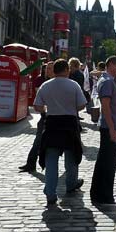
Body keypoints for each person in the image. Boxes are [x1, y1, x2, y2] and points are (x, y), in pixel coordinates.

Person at [35, 59, 87, 205]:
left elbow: (37, 106)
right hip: (70, 123)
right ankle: (71, 184)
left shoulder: (46, 85)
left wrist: (47, 109)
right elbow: (82, 104)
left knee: (51, 159)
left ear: (55, 70)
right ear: (66, 70)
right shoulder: (74, 85)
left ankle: (51, 192)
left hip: (52, 124)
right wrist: (71, 107)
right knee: (71, 156)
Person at [90, 56, 116, 206]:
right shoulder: (108, 81)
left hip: (108, 125)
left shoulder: (107, 79)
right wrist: (111, 129)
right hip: (109, 126)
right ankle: (105, 197)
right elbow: (106, 107)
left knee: (104, 161)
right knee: (108, 162)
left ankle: (97, 194)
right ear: (110, 65)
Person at [19, 61, 54, 173]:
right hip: (45, 116)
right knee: (38, 141)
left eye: (50, 68)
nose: (47, 70)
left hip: (54, 117)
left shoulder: (55, 82)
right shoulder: (42, 80)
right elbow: (39, 100)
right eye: (46, 68)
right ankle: (31, 163)